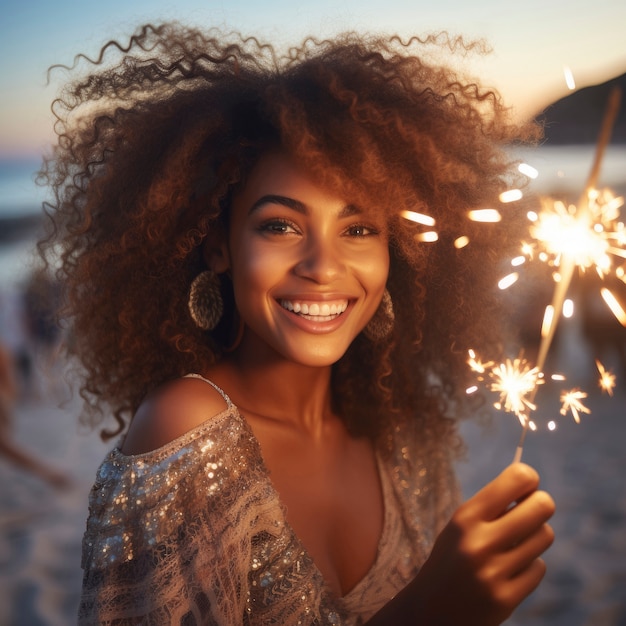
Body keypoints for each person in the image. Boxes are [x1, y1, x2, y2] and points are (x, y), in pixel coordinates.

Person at [39, 22, 555, 625]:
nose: (323, 267)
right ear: (218, 247)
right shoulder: (186, 432)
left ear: (399, 256)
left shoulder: (405, 436)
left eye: (359, 229)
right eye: (280, 225)